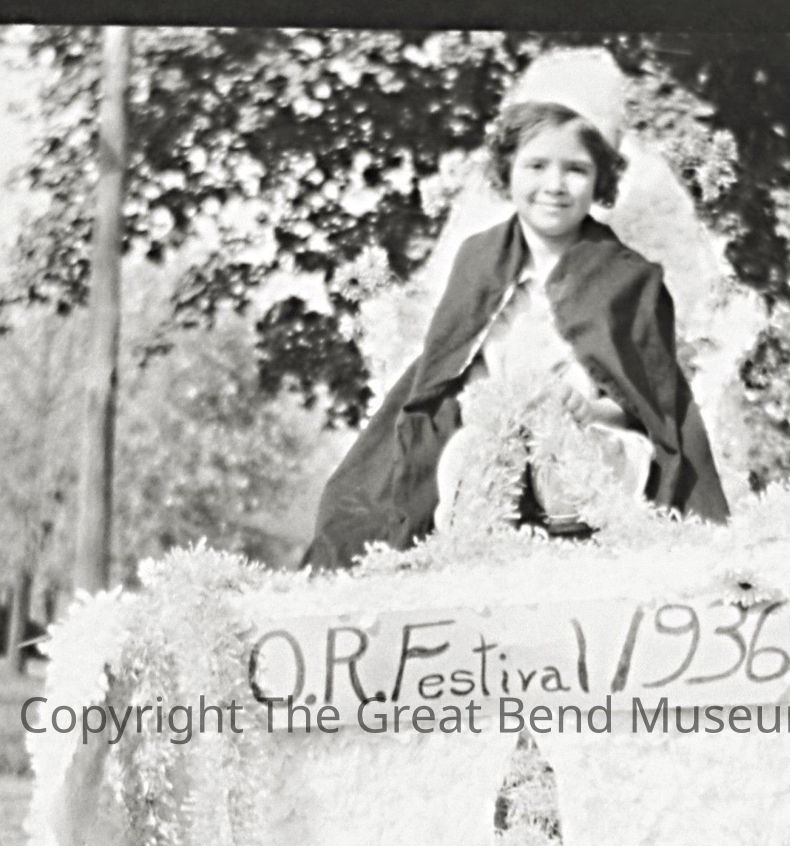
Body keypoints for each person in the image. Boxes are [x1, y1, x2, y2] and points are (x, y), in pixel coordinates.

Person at [303, 80, 731, 570]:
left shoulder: (628, 277)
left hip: (588, 444)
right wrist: (487, 411)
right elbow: (449, 372)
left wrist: (589, 409)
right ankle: (473, 560)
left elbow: (650, 407)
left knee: (571, 469)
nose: (555, 185)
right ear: (507, 170)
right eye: (536, 166)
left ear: (600, 180)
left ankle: (567, 558)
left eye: (576, 169)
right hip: (492, 439)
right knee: (462, 457)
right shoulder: (479, 259)